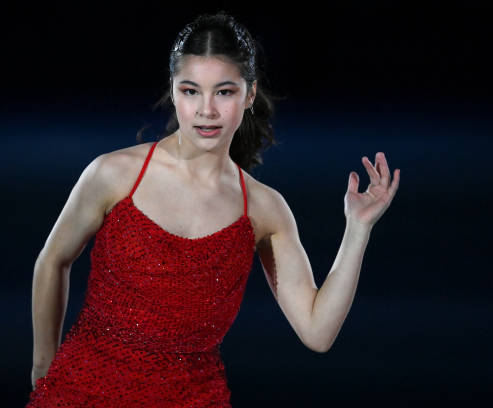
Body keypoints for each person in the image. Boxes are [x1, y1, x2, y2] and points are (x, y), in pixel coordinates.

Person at [25, 10, 400, 408]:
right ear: (173, 91)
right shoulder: (114, 174)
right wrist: (43, 367)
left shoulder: (263, 208)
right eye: (191, 91)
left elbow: (317, 332)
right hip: (84, 391)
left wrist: (357, 229)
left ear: (249, 94)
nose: (207, 110)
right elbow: (52, 260)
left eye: (224, 92)